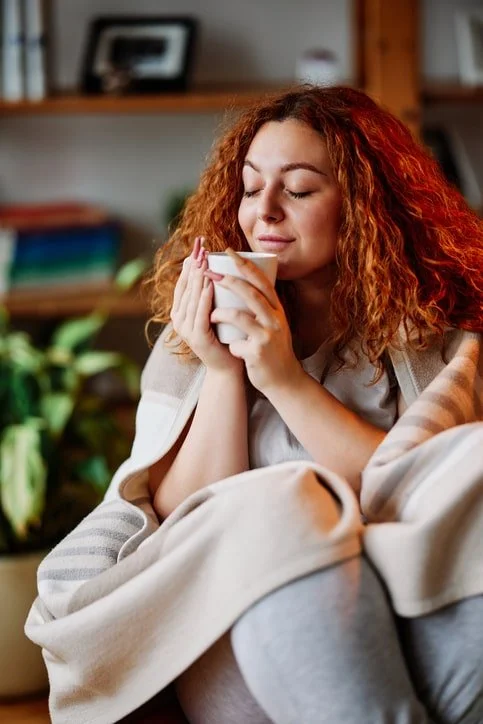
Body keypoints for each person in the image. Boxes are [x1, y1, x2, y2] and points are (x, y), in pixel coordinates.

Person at [25, 85, 483, 724]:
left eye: (297, 190)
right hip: (238, 624)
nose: (262, 212)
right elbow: (188, 531)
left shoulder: (442, 345)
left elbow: (429, 498)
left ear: (366, 208)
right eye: (249, 187)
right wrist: (225, 370)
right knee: (278, 506)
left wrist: (286, 381)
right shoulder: (195, 347)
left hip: (404, 614)